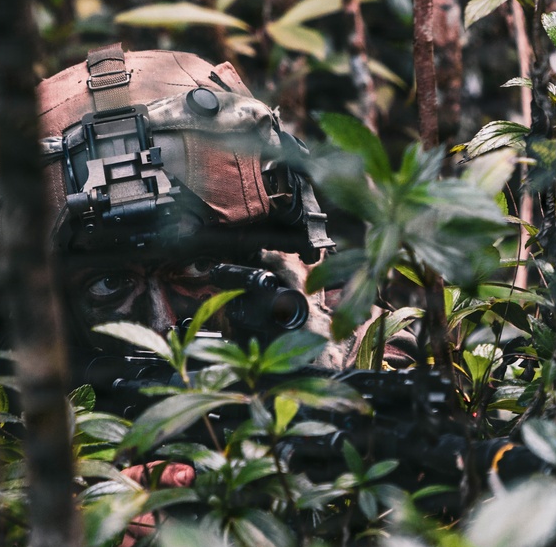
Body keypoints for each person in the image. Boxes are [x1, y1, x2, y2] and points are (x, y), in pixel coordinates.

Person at [35, 43, 355, 379]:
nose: (165, 325)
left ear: (249, 255)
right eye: (110, 284)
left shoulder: (331, 333)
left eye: (198, 266)